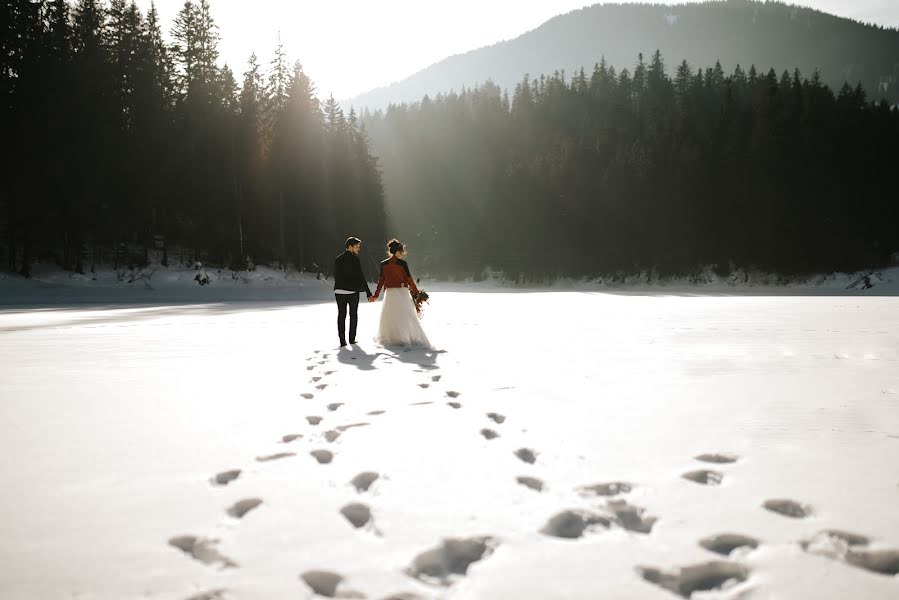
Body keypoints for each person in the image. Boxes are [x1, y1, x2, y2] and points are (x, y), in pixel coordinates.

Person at [370, 239, 431, 348]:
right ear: (397, 252)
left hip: (389, 294)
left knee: (391, 316)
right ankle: (404, 338)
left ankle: (393, 338)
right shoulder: (402, 264)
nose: (402, 254)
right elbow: (409, 279)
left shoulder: (383, 264)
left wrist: (376, 295)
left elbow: (381, 281)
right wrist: (417, 292)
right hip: (402, 293)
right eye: (401, 251)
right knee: (406, 316)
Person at [333, 237, 373, 347]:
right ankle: (351, 339)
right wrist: (368, 293)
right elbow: (361, 276)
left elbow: (336, 275)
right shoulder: (355, 259)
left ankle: (342, 341)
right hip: (352, 291)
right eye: (357, 247)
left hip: (339, 291)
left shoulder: (338, 259)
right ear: (350, 247)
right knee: (353, 315)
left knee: (341, 315)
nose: (358, 249)